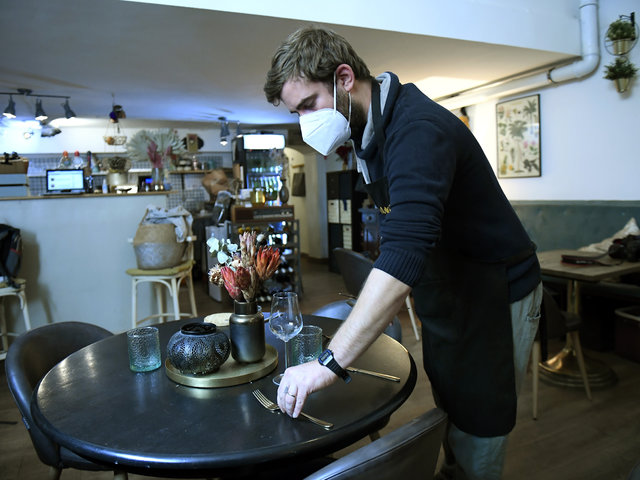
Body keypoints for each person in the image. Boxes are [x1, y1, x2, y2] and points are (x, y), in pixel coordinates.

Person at [263, 25, 542, 480]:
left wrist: (328, 363)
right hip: (448, 289)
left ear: (345, 78)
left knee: (480, 425)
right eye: (297, 112)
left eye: (308, 105)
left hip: (493, 292)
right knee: (451, 405)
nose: (305, 122)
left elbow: (404, 250)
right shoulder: (368, 136)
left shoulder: (417, 129)